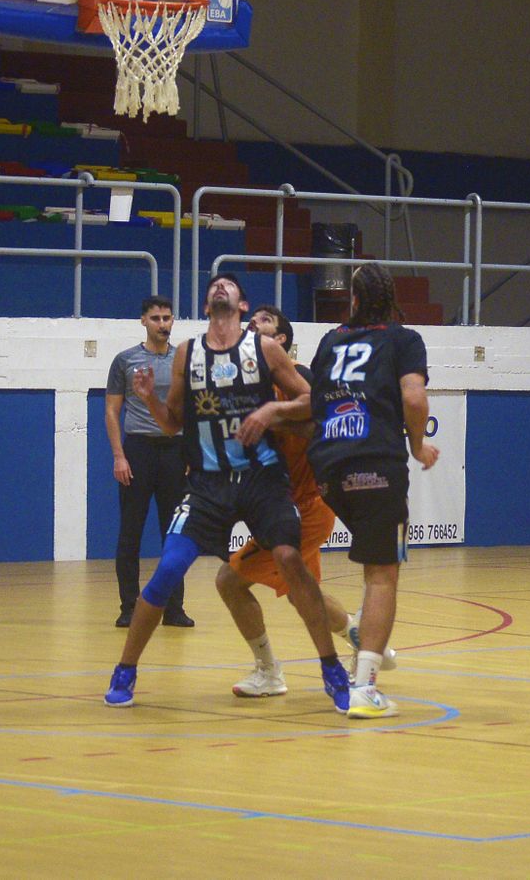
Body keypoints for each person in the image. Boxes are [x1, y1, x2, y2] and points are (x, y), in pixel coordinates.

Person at [103, 274, 353, 710]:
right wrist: (148, 398)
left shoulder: (265, 349)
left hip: (263, 479)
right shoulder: (188, 353)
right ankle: (125, 672)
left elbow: (314, 403)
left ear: (241, 306)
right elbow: (173, 424)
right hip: (207, 483)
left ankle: (331, 668)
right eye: (214, 286)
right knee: (167, 570)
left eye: (229, 286)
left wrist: (273, 409)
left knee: (291, 563)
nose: (220, 288)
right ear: (206, 308)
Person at [216, 304, 386, 699]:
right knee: (301, 593)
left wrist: (273, 417)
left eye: (265, 321)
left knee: (229, 581)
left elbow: (317, 423)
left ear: (280, 342)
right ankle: (363, 637)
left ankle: (269, 671)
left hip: (305, 508)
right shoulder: (244, 382)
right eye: (251, 319)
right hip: (281, 506)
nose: (254, 323)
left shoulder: (302, 382)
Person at [294, 264, 439, 717]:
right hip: (377, 464)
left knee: (370, 564)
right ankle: (366, 687)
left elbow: (312, 402)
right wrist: (416, 444)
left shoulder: (330, 340)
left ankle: (364, 656)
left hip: (328, 469)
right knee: (381, 573)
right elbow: (414, 399)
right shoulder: (403, 339)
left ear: (353, 299)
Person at [104, 294, 193, 629]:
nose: (162, 325)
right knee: (130, 532)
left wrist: (191, 456)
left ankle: (174, 608)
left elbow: (190, 411)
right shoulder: (125, 360)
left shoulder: (181, 361)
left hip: (175, 450)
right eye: (156, 319)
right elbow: (112, 411)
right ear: (143, 321)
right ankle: (129, 607)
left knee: (176, 534)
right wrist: (119, 455)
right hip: (138, 449)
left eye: (167, 318)